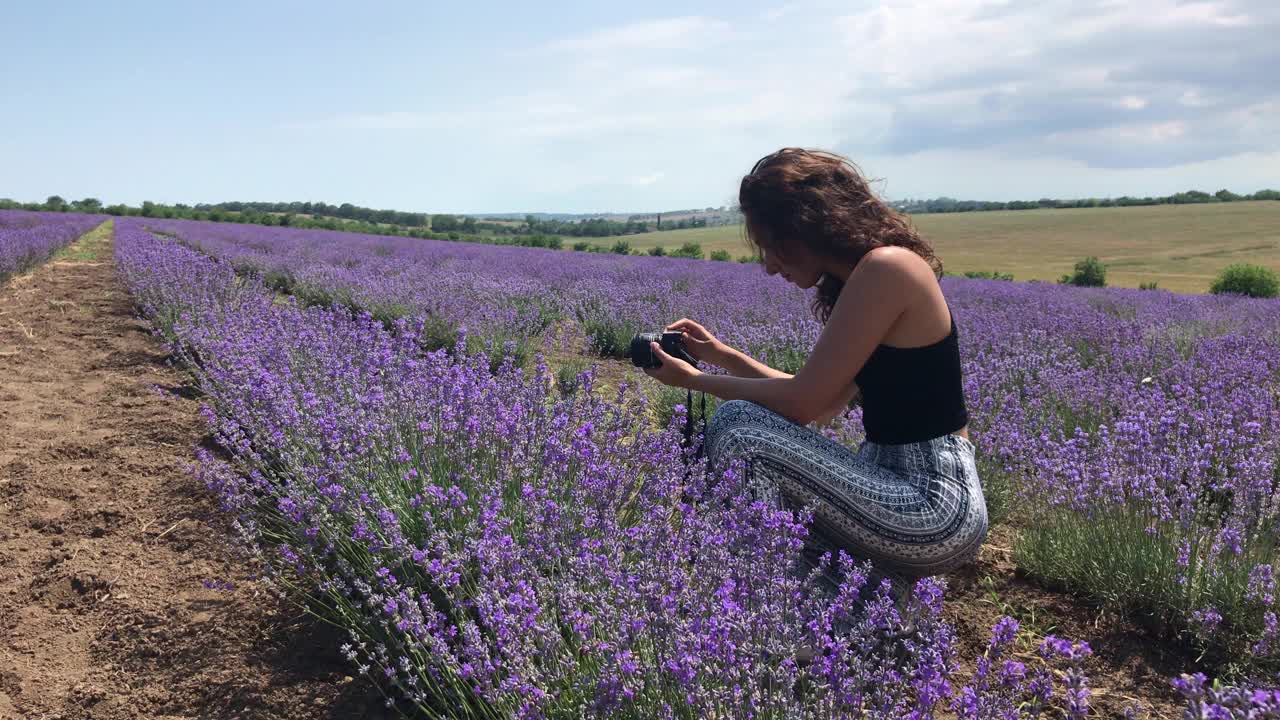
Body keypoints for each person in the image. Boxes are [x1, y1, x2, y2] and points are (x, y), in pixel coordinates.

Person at [642, 147, 987, 591]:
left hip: (931, 502)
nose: (769, 267)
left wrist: (693, 380)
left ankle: (764, 606)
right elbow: (822, 403)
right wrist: (721, 355)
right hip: (895, 489)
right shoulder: (865, 279)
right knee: (749, 429)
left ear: (806, 228)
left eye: (772, 247)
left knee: (740, 427)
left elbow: (804, 405)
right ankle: (842, 621)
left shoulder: (888, 269)